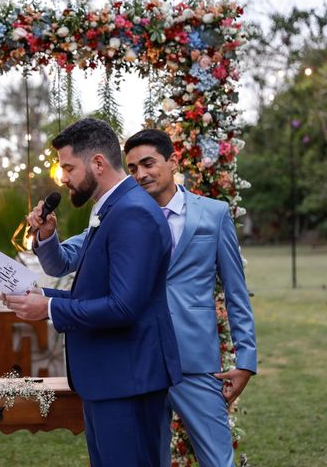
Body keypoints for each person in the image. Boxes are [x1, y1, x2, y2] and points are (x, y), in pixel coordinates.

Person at [29, 128, 257, 467]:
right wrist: (47, 238)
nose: (141, 174)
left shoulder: (213, 214)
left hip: (192, 357)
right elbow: (63, 261)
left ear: (172, 161)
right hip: (137, 356)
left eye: (148, 164)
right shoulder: (118, 212)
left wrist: (245, 360)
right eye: (133, 167)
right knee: (150, 456)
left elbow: (236, 291)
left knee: (217, 459)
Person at [1, 118, 182, 467]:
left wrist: (50, 310)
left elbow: (124, 306)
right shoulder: (112, 209)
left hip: (129, 382)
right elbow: (96, 291)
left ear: (98, 163)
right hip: (110, 380)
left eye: (68, 167)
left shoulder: (132, 213)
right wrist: (41, 297)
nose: (63, 178)